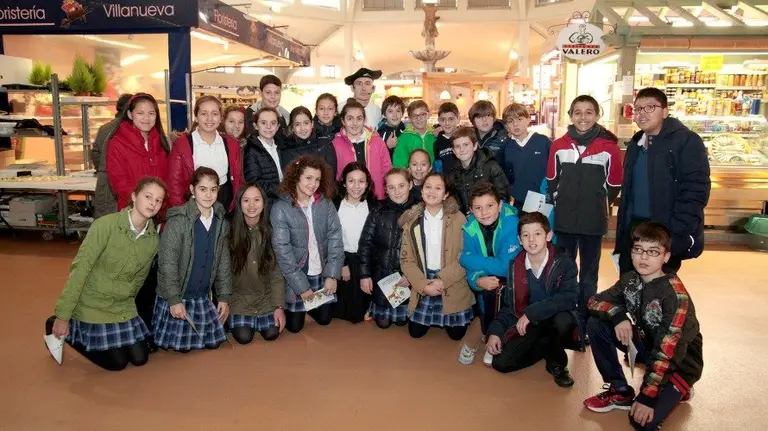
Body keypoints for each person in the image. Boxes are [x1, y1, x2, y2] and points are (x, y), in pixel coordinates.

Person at [584, 222, 702, 430]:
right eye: (638, 250)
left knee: (642, 423)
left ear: (665, 257)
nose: (644, 257)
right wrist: (618, 316)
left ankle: (679, 388)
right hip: (648, 346)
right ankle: (620, 390)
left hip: (680, 362)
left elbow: (668, 351)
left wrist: (647, 397)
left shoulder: (675, 296)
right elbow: (594, 301)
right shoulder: (630, 280)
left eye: (653, 252)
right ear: (631, 253)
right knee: (596, 323)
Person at [45, 177, 167, 371]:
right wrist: (63, 315)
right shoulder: (104, 226)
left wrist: (129, 310)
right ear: (134, 196)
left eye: (158, 200)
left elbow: (138, 280)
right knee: (116, 363)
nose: (153, 203)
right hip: (93, 302)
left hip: (121, 305)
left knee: (139, 358)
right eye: (148, 196)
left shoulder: (152, 240)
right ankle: (57, 324)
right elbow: (80, 270)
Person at [615, 88, 711, 275]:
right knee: (629, 284)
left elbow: (696, 190)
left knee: (659, 289)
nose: (642, 113)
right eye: (638, 108)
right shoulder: (636, 143)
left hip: (664, 229)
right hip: (635, 229)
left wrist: (676, 231)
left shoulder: (686, 141)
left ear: (665, 111)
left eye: (650, 107)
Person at [547, 95, 622, 329]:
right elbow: (552, 179)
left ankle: (586, 316)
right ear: (570, 116)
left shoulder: (609, 148)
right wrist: (561, 200)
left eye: (589, 112)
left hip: (593, 221)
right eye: (577, 112)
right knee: (565, 269)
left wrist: (599, 204)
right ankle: (565, 314)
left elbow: (614, 184)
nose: (583, 117)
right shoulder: (558, 145)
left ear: (597, 115)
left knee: (589, 275)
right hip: (565, 220)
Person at [485, 212, 581, 387]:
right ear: (520, 240)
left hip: (554, 317)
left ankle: (557, 363)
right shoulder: (515, 266)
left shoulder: (564, 262)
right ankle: (544, 347)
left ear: (548, 236)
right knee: (501, 364)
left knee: (562, 321)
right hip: (530, 323)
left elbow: (569, 297)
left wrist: (532, 313)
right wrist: (495, 332)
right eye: (526, 235)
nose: (532, 240)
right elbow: (509, 306)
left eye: (537, 233)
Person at [153, 167, 232, 352]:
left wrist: (223, 297)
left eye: (213, 189)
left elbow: (223, 262)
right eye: (202, 189)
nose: (208, 194)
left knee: (213, 345)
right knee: (183, 349)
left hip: (201, 298)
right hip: (179, 296)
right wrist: (173, 299)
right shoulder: (178, 221)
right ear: (192, 190)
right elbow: (167, 263)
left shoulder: (221, 222)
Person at [271, 155, 344, 334]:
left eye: (318, 179)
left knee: (325, 320)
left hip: (321, 270)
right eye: (308, 178)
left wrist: (332, 275)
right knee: (295, 328)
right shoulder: (281, 208)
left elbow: (336, 238)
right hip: (297, 273)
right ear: (296, 177)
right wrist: (301, 287)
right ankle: (298, 307)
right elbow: (283, 252)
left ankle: (310, 307)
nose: (313, 184)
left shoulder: (325, 204)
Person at [399, 172, 475, 340]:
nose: (432, 192)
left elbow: (466, 255)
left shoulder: (459, 219)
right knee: (415, 333)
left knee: (457, 335)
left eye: (438, 188)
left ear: (445, 194)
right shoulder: (411, 222)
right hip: (424, 279)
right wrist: (423, 285)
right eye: (428, 187)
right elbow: (407, 260)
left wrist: (443, 280)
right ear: (421, 190)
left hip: (452, 280)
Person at [459, 182, 522, 357]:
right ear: (471, 210)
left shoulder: (512, 223)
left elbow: (505, 267)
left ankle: (503, 335)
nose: (484, 212)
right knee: (487, 292)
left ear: (500, 205)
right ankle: (490, 335)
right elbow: (471, 269)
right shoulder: (470, 227)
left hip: (516, 280)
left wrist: (466, 258)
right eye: (478, 208)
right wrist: (477, 280)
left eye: (490, 206)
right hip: (487, 281)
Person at [358, 168, 417, 329]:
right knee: (383, 324)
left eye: (401, 186)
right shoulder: (378, 210)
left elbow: (425, 250)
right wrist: (364, 275)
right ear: (385, 189)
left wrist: (412, 274)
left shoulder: (420, 211)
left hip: (406, 278)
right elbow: (365, 244)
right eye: (391, 187)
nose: (397, 192)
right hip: (382, 276)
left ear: (410, 185)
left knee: (401, 321)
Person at [227, 183, 286, 344]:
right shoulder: (229, 232)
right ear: (239, 204)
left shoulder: (272, 231)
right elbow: (224, 273)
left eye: (256, 200)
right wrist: (225, 302)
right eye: (246, 200)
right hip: (240, 299)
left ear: (264, 203)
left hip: (266, 298)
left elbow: (277, 274)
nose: (251, 205)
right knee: (244, 337)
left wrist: (278, 307)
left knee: (272, 334)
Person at [167, 96, 243, 210]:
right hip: (193, 206)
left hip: (224, 205)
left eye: (214, 114)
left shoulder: (231, 144)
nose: (209, 119)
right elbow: (174, 184)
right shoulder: (183, 144)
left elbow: (238, 179)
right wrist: (183, 214)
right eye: (204, 113)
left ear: (221, 118)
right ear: (196, 117)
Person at [105, 93, 170, 215]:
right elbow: (119, 182)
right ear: (130, 114)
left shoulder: (161, 142)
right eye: (140, 113)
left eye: (151, 113)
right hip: (132, 212)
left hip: (159, 212)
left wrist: (160, 203)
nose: (146, 118)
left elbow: (166, 179)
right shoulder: (117, 143)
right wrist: (143, 203)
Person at [332, 162, 375, 323]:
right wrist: (342, 265)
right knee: (346, 312)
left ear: (367, 183)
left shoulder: (373, 205)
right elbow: (331, 239)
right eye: (351, 181)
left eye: (361, 181)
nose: (356, 186)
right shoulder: (335, 204)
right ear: (343, 182)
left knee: (362, 309)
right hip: (343, 259)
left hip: (366, 261)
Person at [332, 99, 392, 199]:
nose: (355, 123)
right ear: (343, 121)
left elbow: (387, 171)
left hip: (376, 198)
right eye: (350, 118)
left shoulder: (377, 142)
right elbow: (334, 176)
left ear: (364, 120)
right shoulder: (335, 144)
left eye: (359, 118)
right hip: (347, 200)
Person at [502, 103, 551, 211]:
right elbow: (507, 175)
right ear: (506, 126)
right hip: (520, 200)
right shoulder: (507, 147)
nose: (515, 124)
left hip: (543, 199)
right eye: (510, 121)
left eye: (519, 119)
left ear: (528, 119)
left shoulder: (543, 141)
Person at [450, 126, 510, 214]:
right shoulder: (454, 174)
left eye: (466, 145)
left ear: (475, 146)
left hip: (491, 217)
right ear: (454, 151)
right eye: (457, 146)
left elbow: (503, 196)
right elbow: (458, 202)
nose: (462, 149)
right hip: (469, 221)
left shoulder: (491, 167)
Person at [93, 93, 133, 219]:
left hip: (106, 185)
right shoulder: (129, 129)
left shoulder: (105, 128)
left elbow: (95, 153)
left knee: (107, 222)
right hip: (120, 185)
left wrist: (103, 170)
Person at [280, 106, 338, 178]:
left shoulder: (325, 144)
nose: (302, 128)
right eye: (297, 124)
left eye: (306, 123)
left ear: (312, 124)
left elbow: (331, 175)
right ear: (292, 128)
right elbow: (290, 180)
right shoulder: (287, 151)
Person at [243, 107, 284, 205]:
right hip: (266, 204)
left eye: (273, 123)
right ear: (255, 125)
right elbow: (255, 183)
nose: (268, 127)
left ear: (278, 126)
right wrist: (285, 189)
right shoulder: (251, 150)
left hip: (283, 201)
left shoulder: (280, 147)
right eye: (263, 123)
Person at [392, 100, 435, 169]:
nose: (419, 118)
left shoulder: (434, 135)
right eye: (414, 116)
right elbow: (399, 165)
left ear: (428, 115)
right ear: (409, 118)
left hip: (432, 177)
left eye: (422, 114)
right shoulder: (403, 139)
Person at [246, 75, 290, 141]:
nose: (273, 96)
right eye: (268, 93)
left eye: (277, 93)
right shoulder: (248, 115)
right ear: (261, 93)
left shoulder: (286, 117)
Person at [433, 102, 460, 176]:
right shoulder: (436, 142)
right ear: (438, 120)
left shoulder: (463, 138)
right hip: (445, 182)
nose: (447, 123)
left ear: (458, 119)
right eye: (443, 119)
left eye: (451, 119)